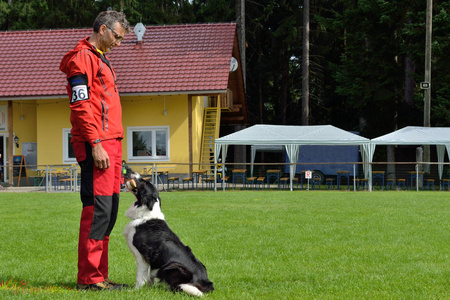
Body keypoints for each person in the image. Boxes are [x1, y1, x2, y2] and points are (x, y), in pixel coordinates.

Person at [60, 11, 130, 291]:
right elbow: (81, 106)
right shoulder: (81, 59)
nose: (118, 44)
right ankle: (88, 279)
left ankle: (100, 276)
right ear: (103, 29)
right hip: (96, 145)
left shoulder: (101, 58)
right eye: (117, 37)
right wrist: (96, 144)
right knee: (96, 210)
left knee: (110, 211)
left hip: (112, 143)